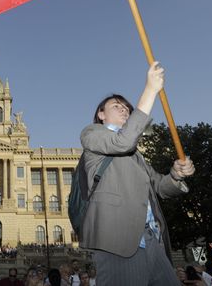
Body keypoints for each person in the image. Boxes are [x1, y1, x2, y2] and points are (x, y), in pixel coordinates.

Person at [79, 62, 195, 286]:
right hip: (118, 238)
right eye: (116, 106)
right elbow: (122, 142)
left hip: (152, 239)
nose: (124, 109)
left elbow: (161, 187)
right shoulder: (92, 134)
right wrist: (150, 90)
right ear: (101, 114)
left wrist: (176, 174)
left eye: (127, 108)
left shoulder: (136, 154)